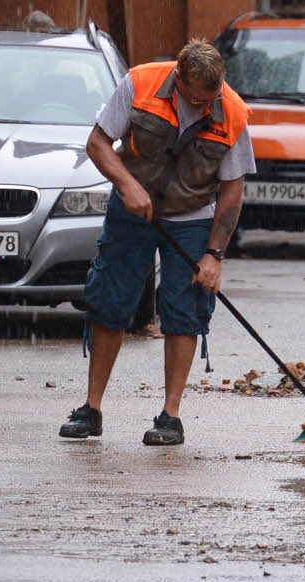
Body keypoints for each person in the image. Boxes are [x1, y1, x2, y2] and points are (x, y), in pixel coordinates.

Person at [59, 38, 254, 446]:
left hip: (192, 217)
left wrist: (214, 255)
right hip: (132, 208)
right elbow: (97, 144)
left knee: (184, 312)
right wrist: (128, 185)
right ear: (178, 78)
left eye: (211, 99)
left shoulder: (232, 112)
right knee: (110, 303)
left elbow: (232, 191)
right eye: (197, 99)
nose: (205, 107)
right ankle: (91, 409)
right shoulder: (140, 83)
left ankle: (170, 416)